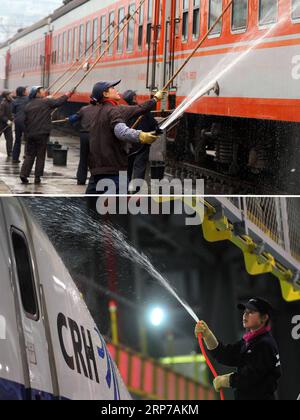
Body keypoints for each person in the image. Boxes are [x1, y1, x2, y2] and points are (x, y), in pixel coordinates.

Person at [195, 298, 282, 400]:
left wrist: (226, 380)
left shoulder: (264, 344)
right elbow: (225, 355)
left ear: (264, 318)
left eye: (251, 312)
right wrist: (207, 335)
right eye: (245, 311)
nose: (245, 315)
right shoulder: (249, 341)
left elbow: (249, 377)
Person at [88, 80, 165, 194]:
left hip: (96, 173)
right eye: (112, 88)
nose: (116, 90)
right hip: (114, 174)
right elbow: (121, 131)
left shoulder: (97, 111)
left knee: (92, 208)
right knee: (118, 208)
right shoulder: (114, 110)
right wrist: (141, 136)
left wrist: (154, 99)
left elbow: (140, 108)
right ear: (105, 94)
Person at [20, 86, 74, 184]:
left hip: (30, 134)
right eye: (42, 90)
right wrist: (67, 95)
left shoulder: (28, 105)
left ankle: (23, 174)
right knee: (40, 155)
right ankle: (37, 177)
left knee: (29, 155)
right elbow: (58, 102)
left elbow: (24, 121)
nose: (44, 91)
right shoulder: (46, 102)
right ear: (37, 93)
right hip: (42, 134)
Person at [122, 90, 159, 183]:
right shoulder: (143, 111)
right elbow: (154, 124)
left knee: (127, 166)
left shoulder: (124, 111)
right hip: (142, 144)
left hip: (128, 143)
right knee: (139, 166)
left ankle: (125, 188)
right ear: (134, 98)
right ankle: (136, 190)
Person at [68, 101, 100, 185]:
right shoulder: (101, 109)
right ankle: (95, 179)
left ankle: (81, 179)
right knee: (96, 158)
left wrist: (68, 118)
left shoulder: (84, 109)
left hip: (84, 136)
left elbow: (74, 118)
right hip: (95, 136)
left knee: (83, 158)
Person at [12, 86, 29, 164]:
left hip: (17, 122)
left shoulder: (14, 101)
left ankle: (15, 158)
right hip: (26, 121)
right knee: (28, 140)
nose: (27, 92)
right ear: (23, 92)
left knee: (17, 140)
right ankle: (26, 155)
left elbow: (13, 112)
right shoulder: (28, 99)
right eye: (26, 91)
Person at [0, 90, 14, 158]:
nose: (11, 95)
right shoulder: (3, 103)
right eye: (10, 94)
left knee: (10, 139)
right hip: (2, 125)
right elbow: (1, 115)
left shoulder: (12, 102)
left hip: (8, 125)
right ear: (6, 96)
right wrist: (7, 121)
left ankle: (10, 152)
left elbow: (13, 112)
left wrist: (13, 117)